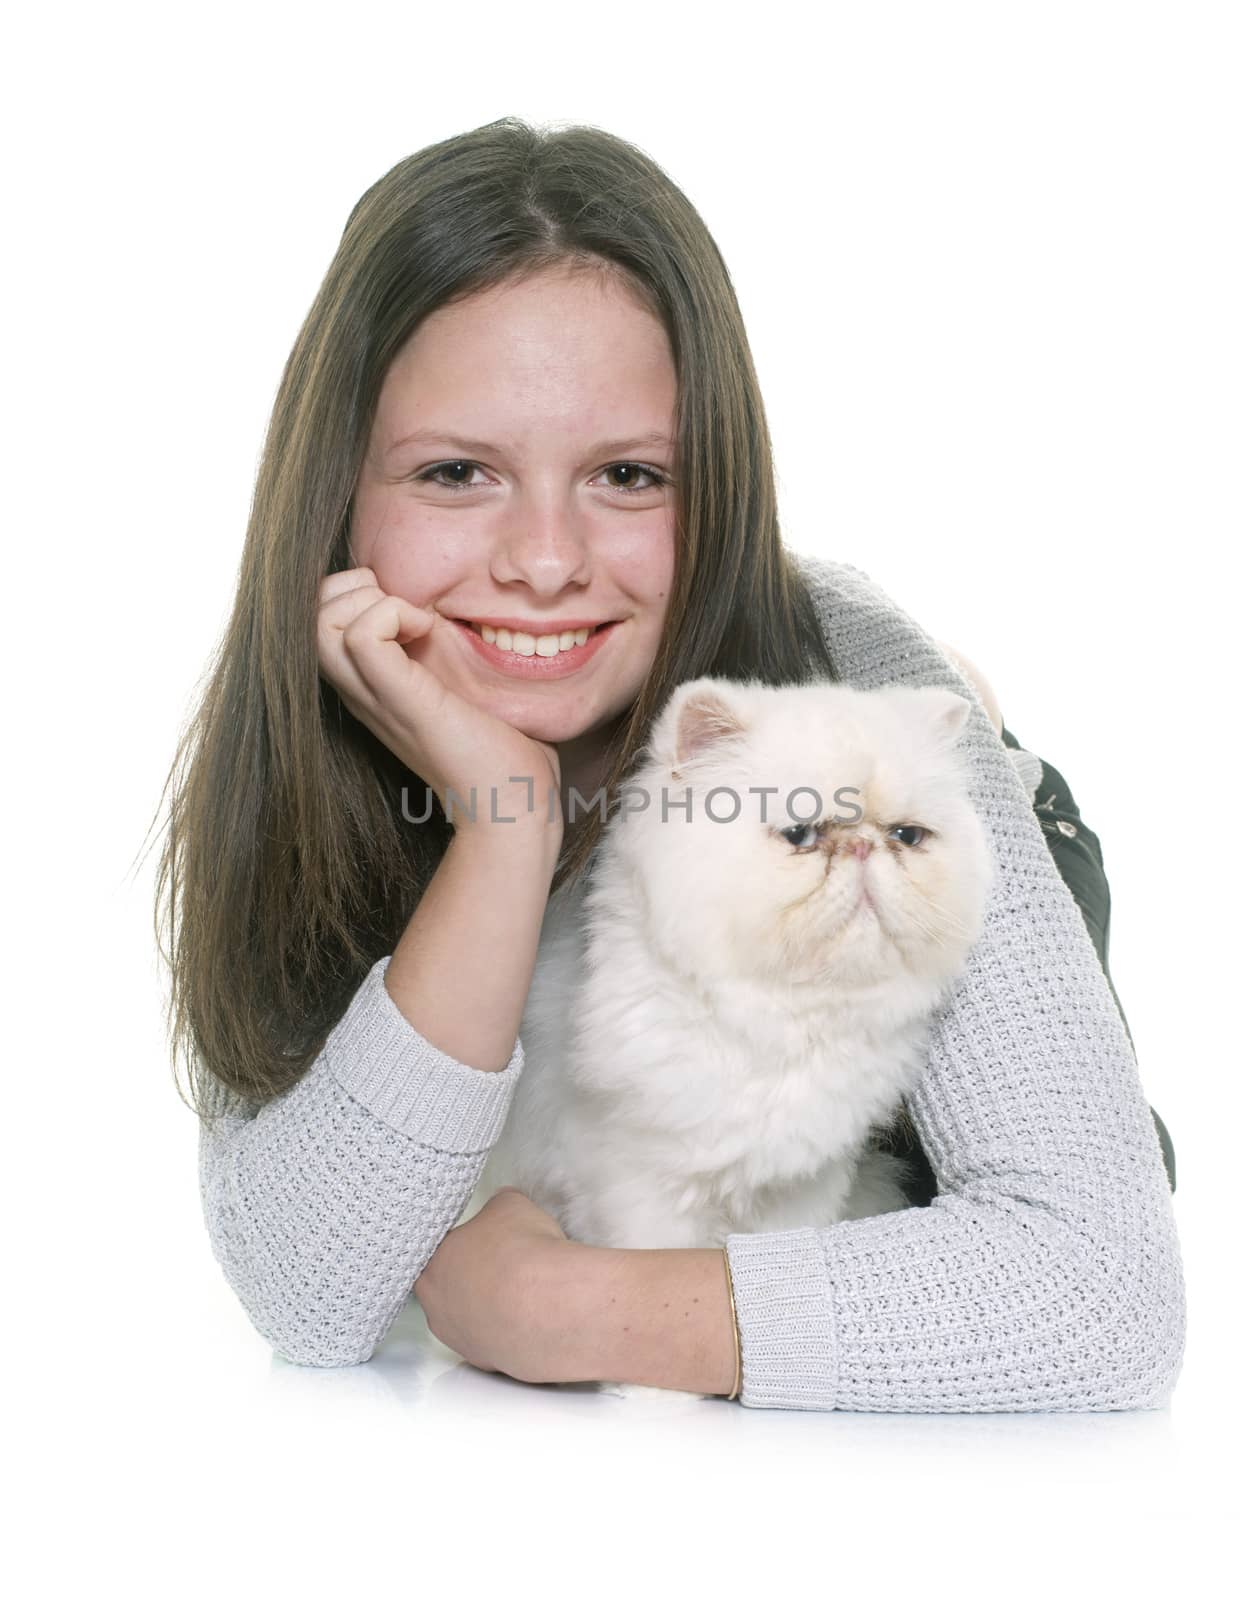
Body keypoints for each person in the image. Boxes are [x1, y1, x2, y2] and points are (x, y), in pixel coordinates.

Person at [156, 116, 1184, 1410]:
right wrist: (506, 833)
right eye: (459, 470)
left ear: (721, 493)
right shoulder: (303, 732)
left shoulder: (858, 696)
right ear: (340, 500)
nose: (542, 560)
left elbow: (1101, 1290)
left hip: (921, 801)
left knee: (930, 1165)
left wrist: (569, 1308)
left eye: (630, 475)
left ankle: (1000, 791)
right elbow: (307, 1292)